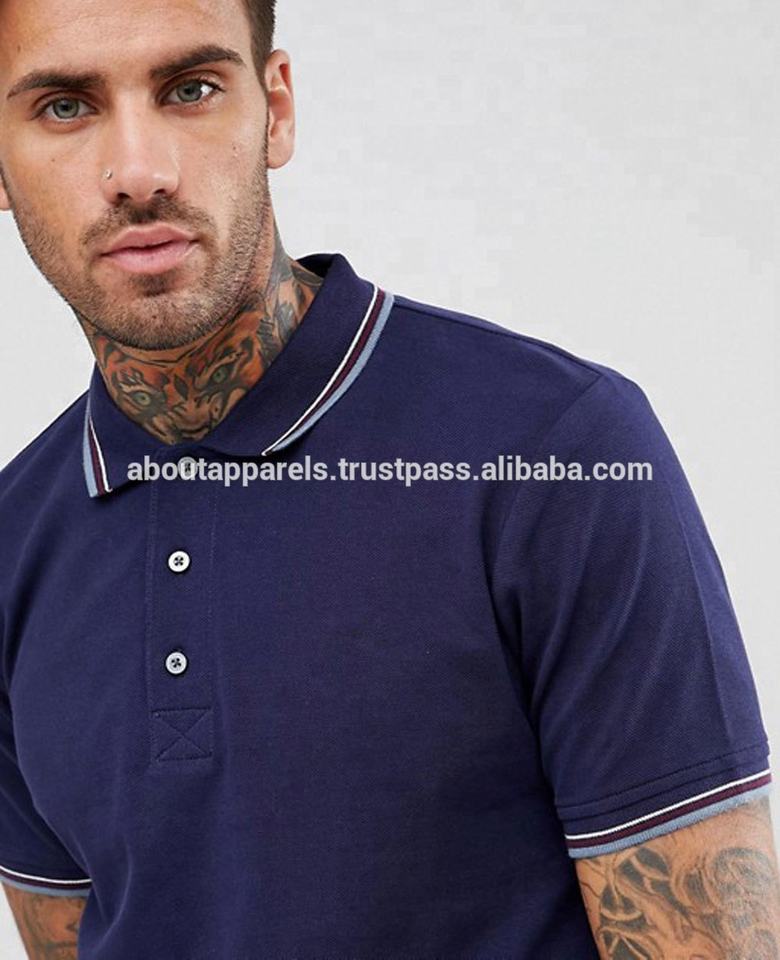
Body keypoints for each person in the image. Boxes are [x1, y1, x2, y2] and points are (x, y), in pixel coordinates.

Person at [0, 1, 776, 958]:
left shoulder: (554, 451)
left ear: (276, 109)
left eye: (191, 89)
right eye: (65, 107)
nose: (140, 171)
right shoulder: (13, 546)